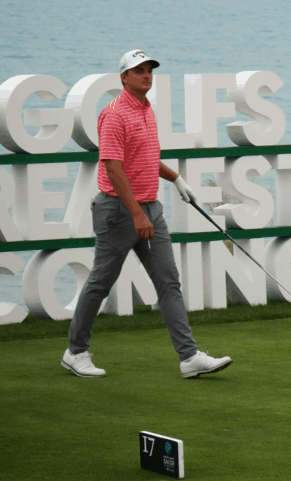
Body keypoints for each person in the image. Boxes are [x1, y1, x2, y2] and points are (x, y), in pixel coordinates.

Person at [62, 50, 232, 379]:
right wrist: (137, 215)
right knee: (101, 282)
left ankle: (188, 357)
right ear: (124, 77)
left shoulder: (145, 109)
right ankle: (75, 352)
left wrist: (176, 178)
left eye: (149, 70)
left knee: (168, 281)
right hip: (118, 211)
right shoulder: (113, 115)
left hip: (150, 208)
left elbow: (143, 158)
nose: (146, 76)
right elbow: (113, 168)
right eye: (138, 71)